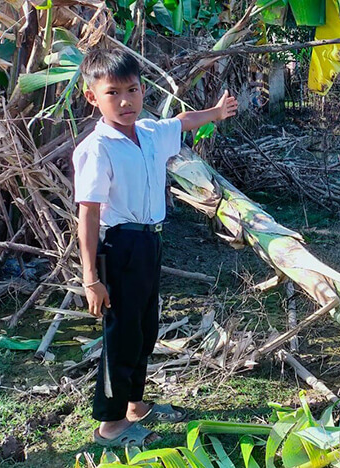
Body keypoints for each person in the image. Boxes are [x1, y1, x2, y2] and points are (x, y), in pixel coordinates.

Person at [73, 48, 238, 446]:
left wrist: (216, 112)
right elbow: (89, 216)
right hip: (121, 245)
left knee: (145, 329)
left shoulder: (148, 133)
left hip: (150, 241)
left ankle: (135, 405)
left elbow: (182, 121)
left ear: (143, 90)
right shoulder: (97, 149)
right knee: (122, 335)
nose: (125, 101)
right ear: (92, 97)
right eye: (113, 93)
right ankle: (110, 425)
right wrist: (91, 278)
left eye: (132, 90)